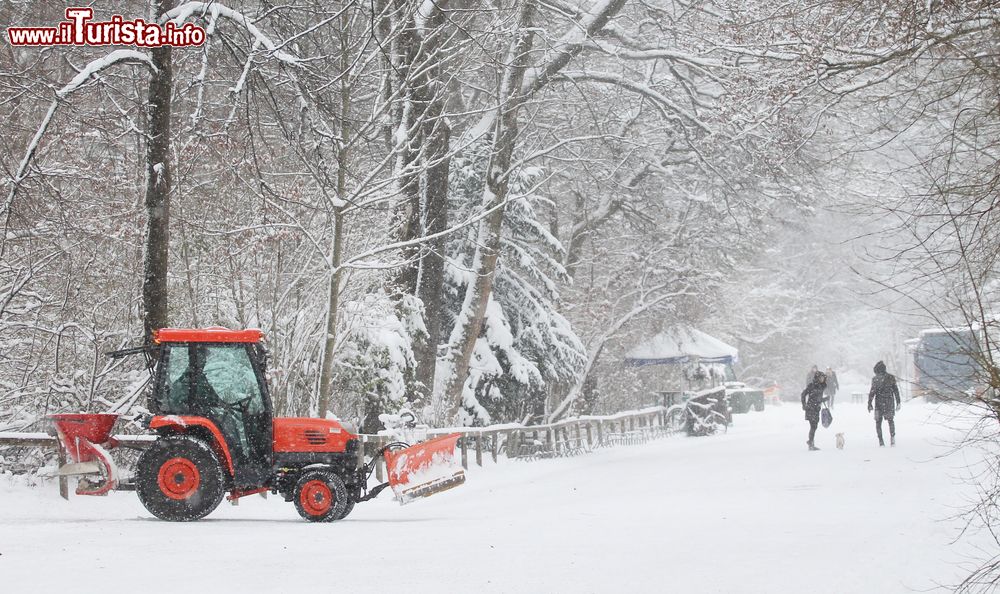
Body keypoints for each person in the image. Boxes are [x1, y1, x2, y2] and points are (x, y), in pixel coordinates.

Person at [867, 360, 901, 447]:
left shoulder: (875, 379)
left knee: (878, 422)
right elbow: (896, 390)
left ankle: (881, 441)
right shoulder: (891, 377)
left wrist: (869, 403)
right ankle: (892, 438)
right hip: (889, 402)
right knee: (891, 421)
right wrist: (898, 402)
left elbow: (872, 392)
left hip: (879, 404)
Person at [801, 371, 829, 451]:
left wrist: (825, 399)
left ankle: (811, 442)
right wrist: (804, 404)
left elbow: (818, 399)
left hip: (816, 409)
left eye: (823, 378)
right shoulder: (812, 386)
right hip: (810, 408)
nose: (823, 379)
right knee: (813, 426)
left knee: (814, 426)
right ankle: (811, 443)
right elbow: (803, 394)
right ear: (817, 378)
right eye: (821, 378)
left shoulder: (821, 386)